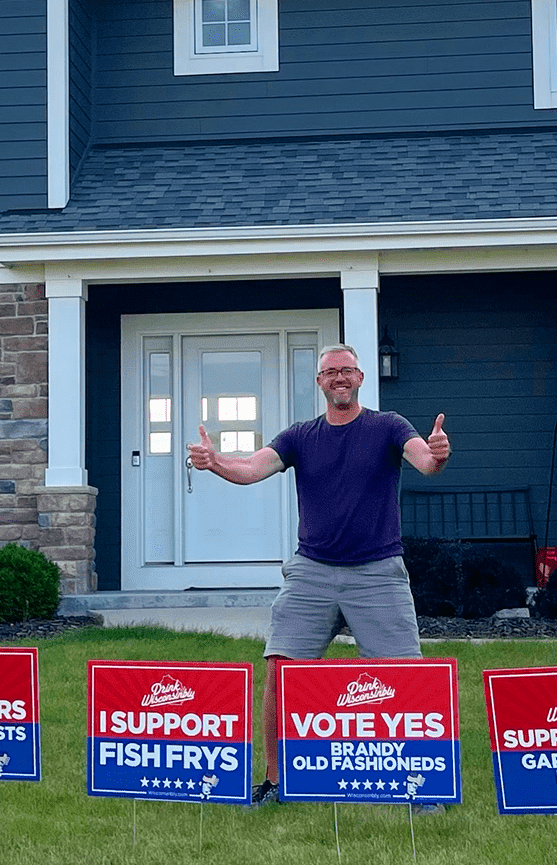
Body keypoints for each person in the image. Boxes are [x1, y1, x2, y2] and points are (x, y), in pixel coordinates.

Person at [186, 342, 451, 807]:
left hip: (378, 572)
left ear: (361, 378)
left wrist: (437, 454)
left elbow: (423, 461)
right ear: (320, 382)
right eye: (331, 372)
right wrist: (216, 463)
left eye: (347, 371)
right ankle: (274, 781)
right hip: (312, 572)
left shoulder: (389, 426)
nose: (340, 378)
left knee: (405, 675)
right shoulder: (300, 437)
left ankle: (417, 785)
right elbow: (251, 469)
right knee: (280, 666)